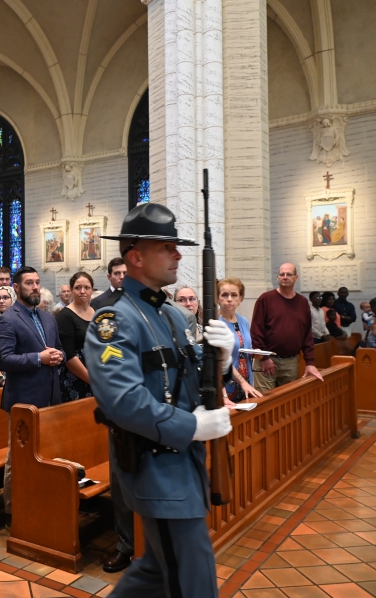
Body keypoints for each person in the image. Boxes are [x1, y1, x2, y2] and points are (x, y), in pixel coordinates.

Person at [84, 202, 236, 598]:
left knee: (154, 570)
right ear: (135, 257)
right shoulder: (113, 321)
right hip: (156, 466)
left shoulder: (170, 313)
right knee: (193, 579)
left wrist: (221, 358)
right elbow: (122, 400)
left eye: (177, 247)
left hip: (182, 463)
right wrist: (193, 426)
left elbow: (188, 372)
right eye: (166, 247)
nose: (178, 254)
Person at [0, 266, 64, 524]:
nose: (34, 287)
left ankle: (40, 500)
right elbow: (4, 359)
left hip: (50, 397)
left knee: (46, 454)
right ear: (16, 288)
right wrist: (39, 358)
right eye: (29, 283)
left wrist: (58, 356)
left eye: (37, 282)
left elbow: (60, 350)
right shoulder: (8, 320)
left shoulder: (47, 318)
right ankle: (14, 511)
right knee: (19, 458)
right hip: (23, 400)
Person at [250, 263, 324, 392]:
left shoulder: (302, 302)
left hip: (291, 362)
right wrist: (264, 358)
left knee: (289, 403)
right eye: (282, 274)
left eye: (289, 274)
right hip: (266, 361)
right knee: (266, 402)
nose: (285, 277)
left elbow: (307, 335)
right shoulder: (266, 299)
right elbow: (256, 331)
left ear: (296, 277)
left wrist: (310, 363)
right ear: (277, 277)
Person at [218, 278, 263, 402]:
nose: (229, 299)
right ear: (217, 298)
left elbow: (242, 348)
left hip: (246, 382)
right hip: (226, 386)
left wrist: (254, 352)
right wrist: (242, 382)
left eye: (234, 295)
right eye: (224, 295)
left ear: (240, 299)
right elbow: (221, 360)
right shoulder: (216, 323)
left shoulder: (243, 321)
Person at [55, 272, 95, 402]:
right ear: (71, 290)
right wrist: (92, 380)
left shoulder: (96, 312)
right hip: (76, 377)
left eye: (87, 288)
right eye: (78, 288)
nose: (82, 291)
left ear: (92, 290)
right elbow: (69, 356)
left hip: (98, 373)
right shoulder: (65, 316)